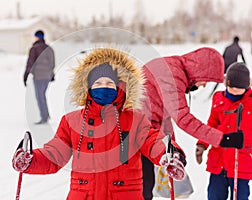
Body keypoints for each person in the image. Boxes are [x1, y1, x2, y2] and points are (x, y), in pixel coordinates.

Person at [12, 47, 187, 199]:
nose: (104, 87)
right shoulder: (72, 121)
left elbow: (153, 141)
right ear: (87, 87)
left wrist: (170, 154)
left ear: (121, 87)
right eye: (98, 83)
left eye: (110, 83)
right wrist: (31, 161)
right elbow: (54, 154)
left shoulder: (135, 120)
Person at [141, 47, 244, 200]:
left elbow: (164, 119)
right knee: (141, 186)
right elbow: (183, 119)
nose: (203, 86)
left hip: (145, 131)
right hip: (132, 133)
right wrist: (223, 138)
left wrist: (173, 150)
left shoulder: (174, 69)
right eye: (206, 81)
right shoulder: (171, 74)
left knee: (146, 185)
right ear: (200, 71)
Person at [196, 62, 250, 200]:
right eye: (231, 87)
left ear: (247, 86)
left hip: (241, 160)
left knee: (240, 196)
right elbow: (212, 124)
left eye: (238, 89)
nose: (234, 91)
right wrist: (203, 144)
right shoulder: (218, 98)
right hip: (218, 159)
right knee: (214, 195)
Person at [23, 30, 55, 124]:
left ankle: (44, 117)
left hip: (39, 76)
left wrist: (25, 75)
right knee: (42, 96)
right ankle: (46, 115)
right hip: (47, 76)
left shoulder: (34, 48)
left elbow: (30, 63)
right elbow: (52, 63)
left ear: (37, 37)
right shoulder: (49, 48)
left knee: (40, 96)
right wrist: (51, 74)